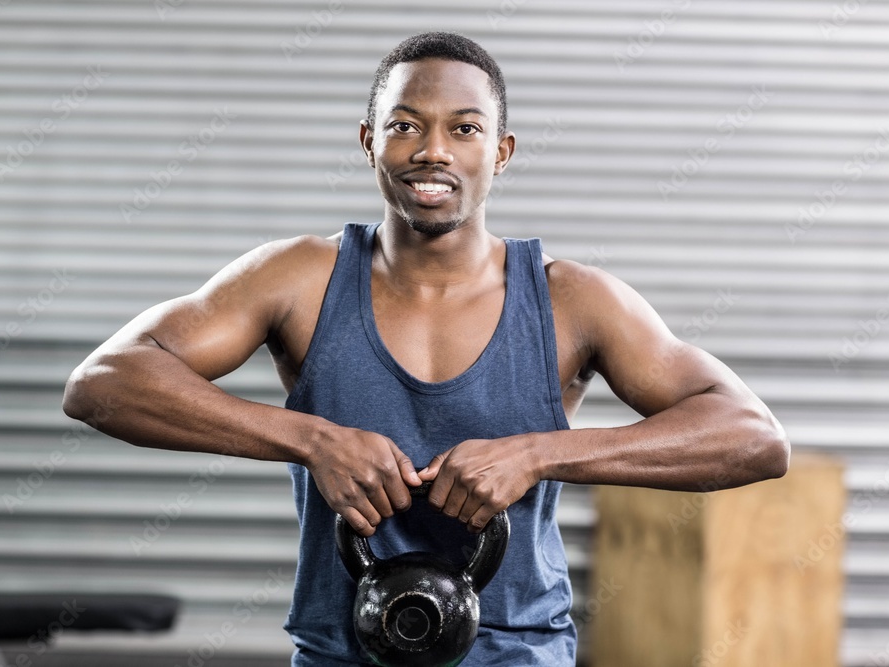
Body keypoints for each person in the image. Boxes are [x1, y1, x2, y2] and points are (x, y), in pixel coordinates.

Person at [63, 31, 790, 666]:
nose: (433, 150)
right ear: (368, 141)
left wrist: (537, 453)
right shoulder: (298, 279)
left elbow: (753, 437)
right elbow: (103, 380)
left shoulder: (571, 299)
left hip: (518, 653)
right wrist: (309, 439)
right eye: (405, 125)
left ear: (500, 152)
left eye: (465, 129)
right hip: (342, 650)